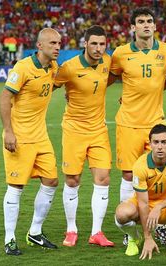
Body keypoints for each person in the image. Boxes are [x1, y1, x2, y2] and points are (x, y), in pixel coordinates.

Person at [0, 28, 61, 255]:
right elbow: (5, 97)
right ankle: (9, 239)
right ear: (40, 46)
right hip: (20, 136)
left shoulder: (52, 67)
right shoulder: (23, 68)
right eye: (53, 43)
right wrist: (8, 131)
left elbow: (56, 83)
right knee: (16, 186)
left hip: (41, 136)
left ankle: (34, 232)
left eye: (59, 43)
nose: (57, 47)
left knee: (51, 181)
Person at [110, 7, 166, 204]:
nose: (146, 25)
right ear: (133, 27)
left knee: (159, 170)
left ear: (155, 26)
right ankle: (130, 226)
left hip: (155, 122)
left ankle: (160, 217)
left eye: (149, 21)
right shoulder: (121, 54)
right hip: (128, 123)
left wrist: (159, 88)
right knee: (129, 174)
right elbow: (109, 78)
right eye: (141, 22)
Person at [54, 25, 114, 247]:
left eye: (102, 44)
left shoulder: (108, 61)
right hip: (74, 131)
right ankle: (71, 230)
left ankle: (96, 232)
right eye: (94, 44)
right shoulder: (69, 68)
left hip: (98, 129)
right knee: (72, 179)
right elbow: (49, 85)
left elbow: (114, 77)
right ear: (85, 44)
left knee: (103, 178)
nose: (98, 49)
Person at [114, 124, 166, 258]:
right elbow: (143, 203)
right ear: (150, 144)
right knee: (121, 214)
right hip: (145, 204)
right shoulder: (140, 165)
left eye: (164, 142)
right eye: (156, 142)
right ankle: (134, 238)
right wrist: (148, 237)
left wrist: (159, 207)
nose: (160, 147)